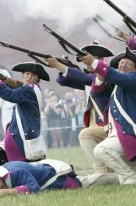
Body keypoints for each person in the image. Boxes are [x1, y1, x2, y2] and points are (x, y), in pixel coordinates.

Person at [81, 48, 136, 185]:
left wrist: (94, 63)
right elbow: (96, 93)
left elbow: (117, 76)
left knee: (101, 150)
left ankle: (133, 177)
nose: (122, 65)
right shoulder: (118, 85)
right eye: (120, 63)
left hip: (133, 132)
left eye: (127, 63)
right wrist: (99, 75)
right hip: (122, 132)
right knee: (123, 180)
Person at [46, 44, 114, 173]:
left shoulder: (104, 77)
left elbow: (85, 78)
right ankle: (103, 171)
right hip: (95, 121)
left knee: (89, 139)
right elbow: (63, 81)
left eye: (90, 58)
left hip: (107, 122)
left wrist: (59, 65)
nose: (86, 62)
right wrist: (64, 67)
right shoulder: (89, 78)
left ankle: (100, 172)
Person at [0, 62, 50, 165]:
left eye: (33, 75)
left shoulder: (28, 89)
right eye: (27, 73)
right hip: (19, 134)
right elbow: (18, 86)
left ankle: (15, 173)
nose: (29, 77)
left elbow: (10, 95)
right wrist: (5, 81)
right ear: (23, 74)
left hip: (21, 137)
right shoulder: (33, 88)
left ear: (37, 78)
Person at [0, 159, 104, 195]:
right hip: (47, 169)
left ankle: (120, 178)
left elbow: (35, 189)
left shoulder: (16, 173)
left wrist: (9, 191)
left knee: (93, 180)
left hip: (59, 178)